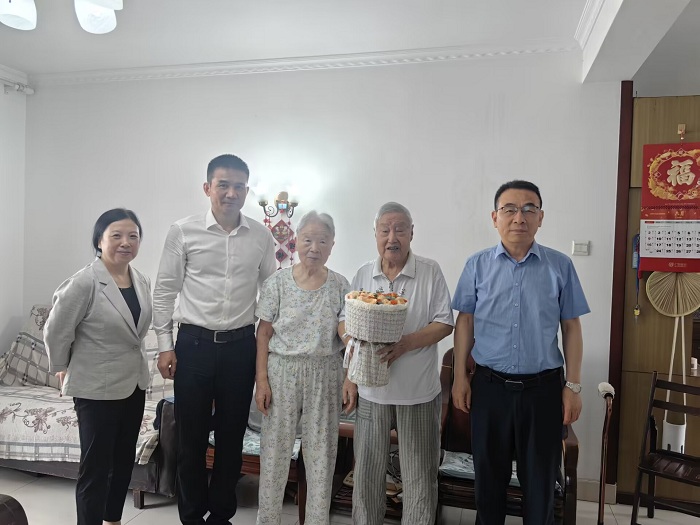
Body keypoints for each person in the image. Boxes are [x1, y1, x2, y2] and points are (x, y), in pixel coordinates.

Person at [451, 180, 589, 525]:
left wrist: (573, 386)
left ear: (541, 217)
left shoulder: (560, 266)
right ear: (495, 217)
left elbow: (571, 328)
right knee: (488, 485)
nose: (519, 217)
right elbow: (465, 322)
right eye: (510, 209)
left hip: (543, 391)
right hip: (489, 389)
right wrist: (459, 378)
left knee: (540, 487)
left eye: (529, 209)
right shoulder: (476, 265)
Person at [153, 154, 276, 525]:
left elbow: (271, 294)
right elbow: (165, 290)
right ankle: (191, 516)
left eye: (239, 186)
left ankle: (221, 516)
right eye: (223, 185)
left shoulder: (261, 236)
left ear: (247, 191)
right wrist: (165, 345)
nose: (231, 193)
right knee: (190, 439)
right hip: (193, 346)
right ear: (208, 188)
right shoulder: (183, 231)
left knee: (230, 437)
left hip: (240, 347)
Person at [341, 202, 454, 525]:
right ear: (375, 234)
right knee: (366, 475)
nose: (392, 237)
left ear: (411, 233)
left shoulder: (429, 271)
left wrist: (405, 344)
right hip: (371, 393)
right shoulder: (364, 273)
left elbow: (444, 323)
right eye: (385, 230)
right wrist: (352, 362)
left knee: (419, 477)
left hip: (417, 393)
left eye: (400, 230)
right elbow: (344, 321)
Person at [44, 208, 151, 525]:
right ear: (99, 240)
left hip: (133, 384)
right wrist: (61, 366)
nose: (125, 242)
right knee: (96, 468)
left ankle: (112, 520)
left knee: (123, 461)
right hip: (95, 389)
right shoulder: (84, 282)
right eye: (116, 235)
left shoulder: (141, 280)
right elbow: (56, 330)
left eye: (133, 236)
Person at [255, 211, 349, 525]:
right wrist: (261, 380)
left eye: (323, 241)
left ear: (332, 245)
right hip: (282, 372)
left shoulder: (340, 285)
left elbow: (345, 331)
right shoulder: (278, 283)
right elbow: (263, 333)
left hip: (325, 373)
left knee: (322, 455)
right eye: (308, 239)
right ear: (296, 241)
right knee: (275, 452)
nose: (314, 247)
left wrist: (353, 371)